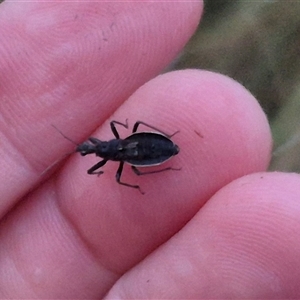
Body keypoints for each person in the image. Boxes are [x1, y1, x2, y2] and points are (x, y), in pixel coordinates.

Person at [0, 1, 299, 298]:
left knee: (126, 165)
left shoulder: (106, 152)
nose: (89, 150)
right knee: (127, 163)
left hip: (142, 147)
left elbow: (116, 159)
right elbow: (117, 153)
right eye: (89, 150)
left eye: (89, 149)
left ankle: (165, 158)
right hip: (138, 147)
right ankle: (164, 160)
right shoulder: (108, 146)